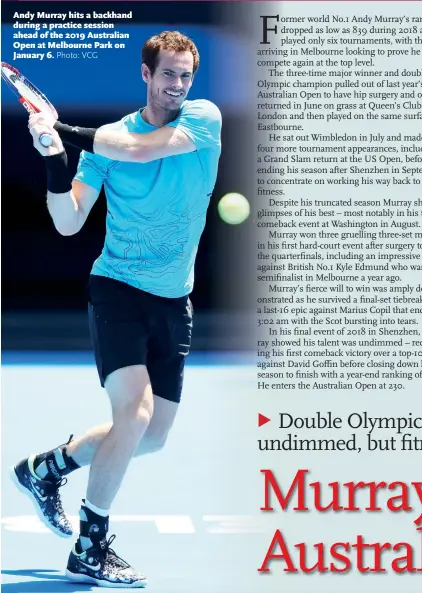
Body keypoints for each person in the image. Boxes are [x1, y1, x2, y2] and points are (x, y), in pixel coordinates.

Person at [10, 31, 222, 588]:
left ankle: (45, 468)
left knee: (150, 436)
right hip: (118, 290)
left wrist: (61, 131)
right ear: (145, 75)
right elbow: (68, 221)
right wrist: (56, 161)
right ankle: (90, 545)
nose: (177, 85)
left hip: (174, 299)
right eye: (167, 74)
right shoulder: (107, 140)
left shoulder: (202, 118)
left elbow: (139, 150)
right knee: (136, 416)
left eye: (185, 75)